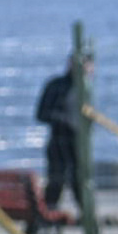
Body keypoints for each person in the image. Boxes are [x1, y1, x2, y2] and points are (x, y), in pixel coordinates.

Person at [34, 60, 88, 211]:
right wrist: (65, 121)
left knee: (80, 181)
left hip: (78, 144)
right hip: (58, 142)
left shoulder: (85, 88)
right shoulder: (56, 85)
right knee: (56, 181)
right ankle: (47, 215)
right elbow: (41, 114)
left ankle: (86, 216)